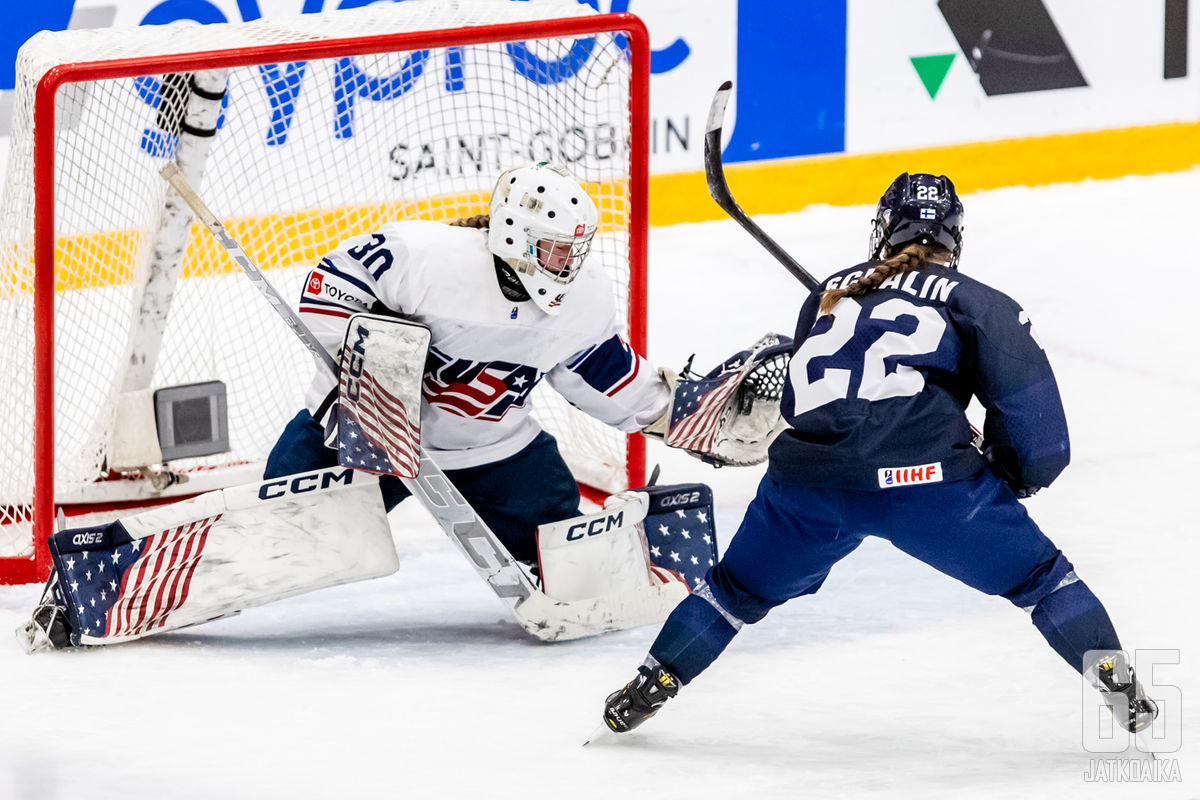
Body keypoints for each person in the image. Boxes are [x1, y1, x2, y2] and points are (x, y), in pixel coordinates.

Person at [598, 172, 1158, 737]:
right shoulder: (980, 304)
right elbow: (1042, 441)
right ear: (953, 238)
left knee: (732, 593)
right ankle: (1121, 689)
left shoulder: (831, 294)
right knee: (1044, 581)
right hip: (931, 486)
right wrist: (1006, 477)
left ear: (884, 230)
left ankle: (650, 682)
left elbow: (808, 401)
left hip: (808, 488)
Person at [264, 161, 671, 564]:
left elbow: (608, 374)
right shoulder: (425, 257)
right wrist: (366, 369)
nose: (569, 265)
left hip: (492, 450)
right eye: (558, 249)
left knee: (565, 557)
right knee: (276, 532)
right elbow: (331, 288)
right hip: (370, 437)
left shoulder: (583, 299)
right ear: (516, 235)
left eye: (574, 251)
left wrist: (679, 412)